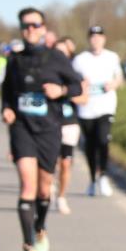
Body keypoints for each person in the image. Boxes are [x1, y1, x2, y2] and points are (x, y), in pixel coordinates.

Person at [1, 8, 82, 251]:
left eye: (35, 25)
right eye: (25, 26)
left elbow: (78, 86)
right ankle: (29, 247)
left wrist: (61, 90)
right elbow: (7, 92)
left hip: (49, 129)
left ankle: (40, 227)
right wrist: (7, 109)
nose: (30, 30)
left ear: (43, 28)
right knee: (27, 186)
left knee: (45, 188)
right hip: (22, 129)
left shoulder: (56, 58)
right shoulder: (14, 60)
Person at [72, 25, 123, 197]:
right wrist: (81, 85)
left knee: (103, 140)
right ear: (89, 39)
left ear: (104, 39)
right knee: (90, 145)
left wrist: (113, 84)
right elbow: (72, 81)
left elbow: (119, 77)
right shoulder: (80, 60)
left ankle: (104, 176)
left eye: (99, 36)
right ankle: (92, 179)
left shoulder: (112, 57)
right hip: (86, 108)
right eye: (93, 37)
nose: (96, 40)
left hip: (106, 106)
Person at [54, 37, 88, 214]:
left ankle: (61, 197)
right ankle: (49, 185)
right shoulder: (47, 74)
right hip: (50, 123)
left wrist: (65, 93)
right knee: (52, 162)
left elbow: (84, 98)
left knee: (66, 162)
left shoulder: (76, 76)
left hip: (69, 124)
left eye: (63, 52)